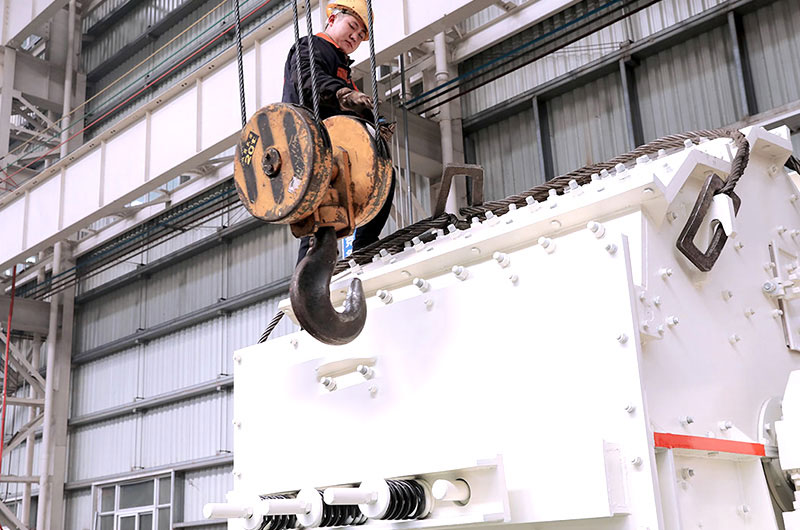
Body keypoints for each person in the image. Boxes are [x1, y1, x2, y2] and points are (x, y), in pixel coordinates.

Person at [283, 0, 396, 264]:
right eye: (352, 27)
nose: (354, 37)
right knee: (319, 222)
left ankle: (364, 246)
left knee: (384, 174)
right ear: (333, 19)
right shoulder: (310, 46)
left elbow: (349, 111)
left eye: (360, 36)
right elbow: (310, 80)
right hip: (309, 146)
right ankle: (308, 281)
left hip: (334, 147)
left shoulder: (341, 66)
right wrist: (343, 94)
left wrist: (374, 121)